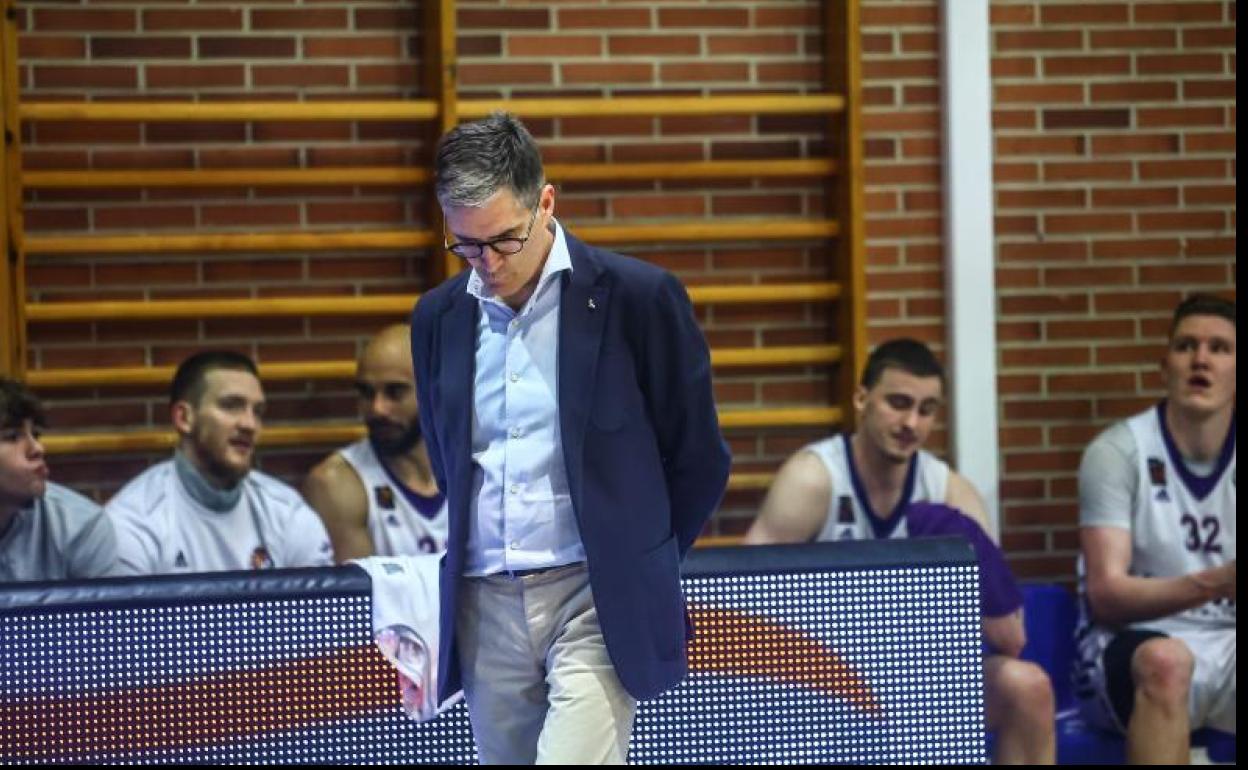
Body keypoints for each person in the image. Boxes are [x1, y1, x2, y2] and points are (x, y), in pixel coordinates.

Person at [410, 112, 731, 764]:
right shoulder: (438, 316)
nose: (487, 263)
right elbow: (449, 460)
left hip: (594, 594)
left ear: (546, 202)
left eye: (503, 239)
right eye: (466, 246)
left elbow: (698, 459)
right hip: (484, 598)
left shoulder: (639, 298)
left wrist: (639, 554)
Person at [744, 337, 1056, 765]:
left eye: (926, 410)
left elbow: (1010, 636)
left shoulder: (949, 495)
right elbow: (747, 608)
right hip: (823, 681)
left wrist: (969, 550)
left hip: (920, 679)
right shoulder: (814, 479)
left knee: (1028, 686)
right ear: (861, 399)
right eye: (898, 402)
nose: (911, 422)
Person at [1074, 294, 1235, 764]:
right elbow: (1106, 595)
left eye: (1219, 349)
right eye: (1187, 346)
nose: (1201, 359)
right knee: (1167, 663)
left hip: (1227, 642)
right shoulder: (1117, 452)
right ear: (1163, 366)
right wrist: (1217, 582)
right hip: (1132, 644)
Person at [106, 351, 333, 574]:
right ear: (184, 418)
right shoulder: (133, 520)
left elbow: (324, 607)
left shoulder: (287, 510)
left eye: (258, 411)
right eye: (231, 405)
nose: (249, 424)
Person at [303, 324, 447, 561]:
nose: (377, 409)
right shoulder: (336, 483)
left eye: (395, 392)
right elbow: (363, 595)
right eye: (367, 393)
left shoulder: (475, 467)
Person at [0, 378, 118, 582]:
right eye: (12, 437)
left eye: (35, 434)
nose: (38, 448)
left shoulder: (80, 526)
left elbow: (107, 614)